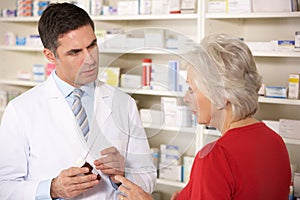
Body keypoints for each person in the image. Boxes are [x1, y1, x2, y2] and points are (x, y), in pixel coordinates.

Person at [0, 3, 156, 199]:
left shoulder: (124, 104)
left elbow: (148, 176)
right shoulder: (21, 110)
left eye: (92, 45)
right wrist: (52, 189)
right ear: (50, 55)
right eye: (75, 52)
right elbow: (4, 187)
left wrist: (122, 174)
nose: (90, 59)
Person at [114, 34, 292, 200]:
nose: (186, 98)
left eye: (192, 89)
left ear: (221, 96)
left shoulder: (215, 158)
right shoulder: (275, 141)